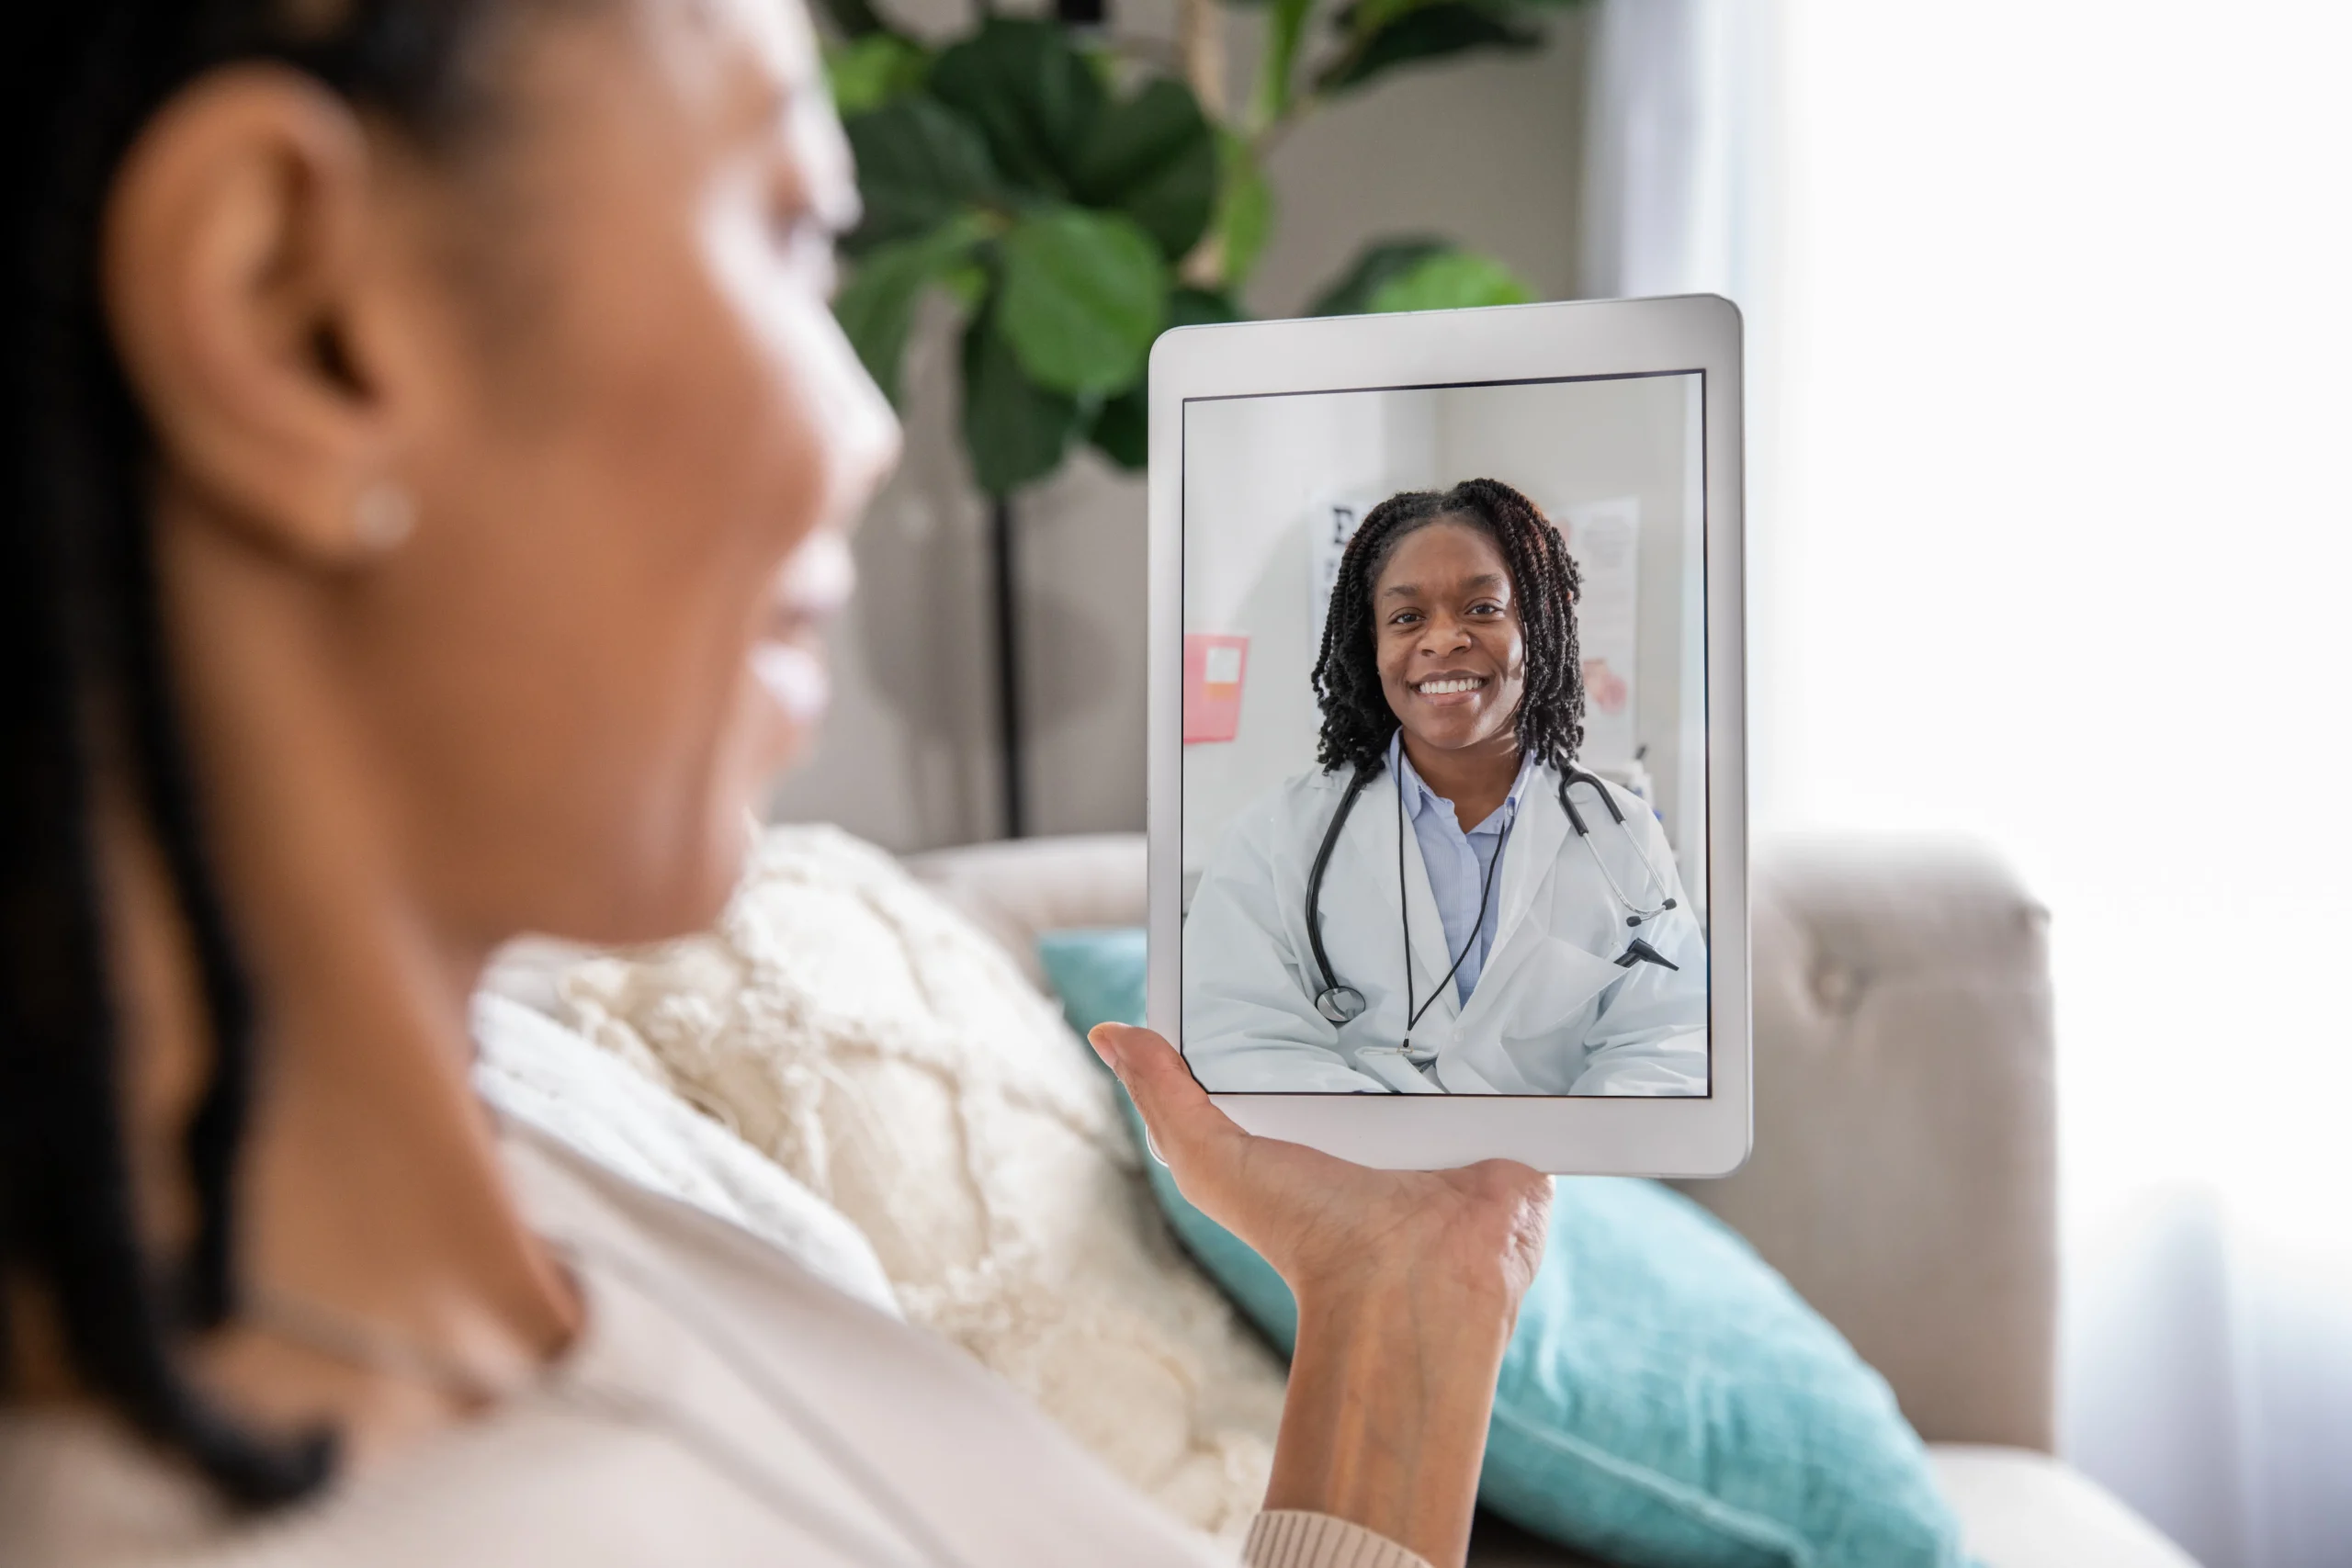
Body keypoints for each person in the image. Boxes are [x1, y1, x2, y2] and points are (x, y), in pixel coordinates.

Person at [0, 2, 1553, 1566]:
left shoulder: (564, 1154)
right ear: (292, 312)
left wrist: (1396, 1302)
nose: (870, 430)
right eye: (790, 227)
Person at [1184, 481, 1709, 1096]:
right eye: (1406, 618)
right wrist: (1398, 1163)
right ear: (1371, 646)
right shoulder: (1277, 835)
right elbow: (1238, 1036)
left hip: (1555, 1176)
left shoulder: (1622, 834)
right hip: (1353, 1172)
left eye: (1483, 608)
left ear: (1537, 627)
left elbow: (1668, 1039)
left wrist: (1545, 1165)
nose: (1442, 639)